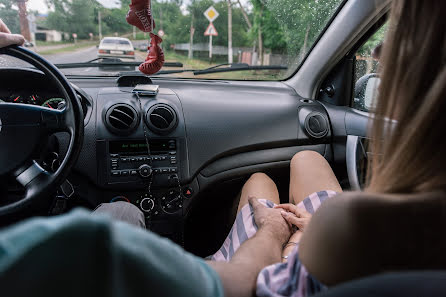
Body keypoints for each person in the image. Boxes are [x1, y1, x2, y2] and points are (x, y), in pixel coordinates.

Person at [1, 0, 446, 296]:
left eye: (395, 44)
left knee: (121, 215)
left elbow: (230, 284)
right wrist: (308, 230)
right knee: (303, 158)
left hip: (262, 273)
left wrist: (275, 231)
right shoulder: (376, 229)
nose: (383, 51)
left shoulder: (70, 252)